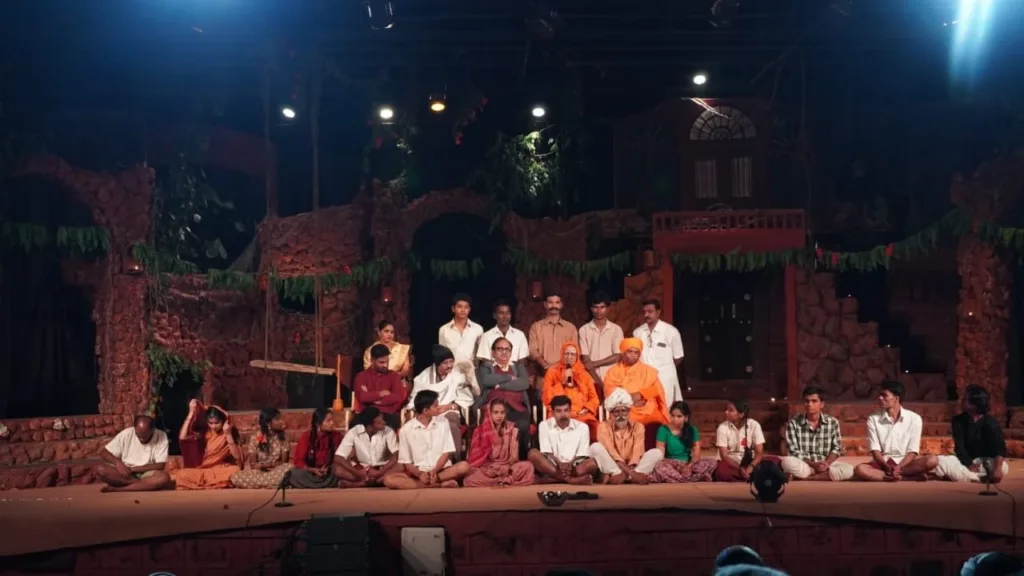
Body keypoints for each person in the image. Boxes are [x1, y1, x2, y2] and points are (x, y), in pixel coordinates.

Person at [384, 390, 472, 489]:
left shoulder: (443, 422)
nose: (439, 407)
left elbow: (446, 452)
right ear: (426, 410)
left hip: (441, 471)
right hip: (419, 473)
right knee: (388, 480)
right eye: (435, 405)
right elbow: (407, 461)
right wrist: (419, 474)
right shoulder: (406, 430)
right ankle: (439, 484)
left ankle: (431, 482)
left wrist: (435, 471)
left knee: (464, 466)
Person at [854, 380, 939, 482]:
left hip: (905, 464)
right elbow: (875, 450)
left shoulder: (914, 418)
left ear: (896, 398)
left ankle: (892, 476)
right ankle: (906, 478)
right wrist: (886, 467)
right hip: (883, 464)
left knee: (932, 460)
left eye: (884, 395)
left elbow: (912, 451)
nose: (880, 398)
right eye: (880, 395)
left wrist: (899, 467)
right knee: (860, 469)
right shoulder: (873, 419)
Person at [408, 344, 476, 455]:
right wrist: (431, 409)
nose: (449, 365)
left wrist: (448, 407)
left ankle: (453, 458)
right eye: (445, 363)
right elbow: (415, 400)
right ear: (437, 364)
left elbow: (465, 399)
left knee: (451, 425)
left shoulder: (457, 377)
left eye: (451, 361)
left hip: (449, 411)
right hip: (429, 412)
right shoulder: (422, 378)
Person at [589, 389, 664, 484]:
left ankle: (623, 476)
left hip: (633, 466)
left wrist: (629, 472)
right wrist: (632, 473)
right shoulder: (603, 427)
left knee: (657, 453)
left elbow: (637, 454)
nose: (620, 415)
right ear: (611, 413)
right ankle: (624, 475)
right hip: (613, 464)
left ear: (629, 411)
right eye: (616, 412)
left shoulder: (638, 427)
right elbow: (611, 453)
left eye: (624, 411)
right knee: (595, 447)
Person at [936, 384, 1008, 483]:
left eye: (965, 400)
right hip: (965, 462)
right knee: (942, 461)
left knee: (1003, 467)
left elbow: (999, 449)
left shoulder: (991, 423)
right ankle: (980, 478)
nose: (962, 402)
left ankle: (969, 477)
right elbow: (959, 447)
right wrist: (969, 464)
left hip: (985, 461)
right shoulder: (958, 421)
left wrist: (997, 469)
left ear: (975, 404)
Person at [780, 386, 854, 482]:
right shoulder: (794, 423)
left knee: (849, 470)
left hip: (826, 464)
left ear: (822, 404)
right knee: (787, 462)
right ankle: (821, 474)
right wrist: (814, 464)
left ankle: (809, 477)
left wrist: (826, 463)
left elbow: (837, 448)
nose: (810, 404)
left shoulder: (832, 422)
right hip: (805, 464)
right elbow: (793, 451)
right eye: (807, 401)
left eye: (814, 401)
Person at [475, 337, 532, 457]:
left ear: (511, 352)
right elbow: (487, 380)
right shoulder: (486, 367)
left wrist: (499, 385)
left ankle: (519, 458)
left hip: (517, 409)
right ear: (493, 352)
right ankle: (496, 457)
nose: (504, 352)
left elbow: (524, 383)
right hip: (494, 411)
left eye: (507, 349)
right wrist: (509, 378)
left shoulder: (518, 367)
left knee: (522, 425)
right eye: (500, 349)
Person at [169, 401, 243, 490]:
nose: (213, 426)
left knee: (235, 470)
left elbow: (237, 456)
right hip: (202, 470)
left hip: (219, 469)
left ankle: (205, 482)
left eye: (217, 423)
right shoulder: (204, 433)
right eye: (210, 423)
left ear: (223, 420)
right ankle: (211, 482)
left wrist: (228, 434)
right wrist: (191, 413)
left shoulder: (229, 431)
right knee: (182, 474)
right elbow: (183, 437)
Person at [464, 398, 536, 487]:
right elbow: (476, 458)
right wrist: (487, 469)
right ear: (489, 413)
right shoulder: (479, 431)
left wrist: (507, 467)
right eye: (496, 412)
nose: (499, 416)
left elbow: (514, 457)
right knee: (471, 476)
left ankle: (500, 480)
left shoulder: (512, 429)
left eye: (502, 412)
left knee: (528, 466)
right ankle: (504, 480)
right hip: (487, 468)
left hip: (507, 468)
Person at [527, 395, 598, 484]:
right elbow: (547, 452)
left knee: (593, 463)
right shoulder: (544, 425)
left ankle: (553, 479)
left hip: (574, 467)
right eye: (559, 411)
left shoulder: (582, 427)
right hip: (552, 465)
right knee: (532, 454)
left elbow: (582, 453)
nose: (563, 414)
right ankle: (570, 479)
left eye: (566, 410)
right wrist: (559, 463)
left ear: (570, 410)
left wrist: (570, 463)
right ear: (553, 412)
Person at [602, 338, 669, 433]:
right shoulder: (612, 372)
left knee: (657, 423)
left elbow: (657, 390)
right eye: (630, 351)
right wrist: (630, 400)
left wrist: (640, 395)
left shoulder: (648, 371)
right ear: (623, 353)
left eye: (636, 352)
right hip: (624, 410)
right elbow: (610, 393)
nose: (633, 355)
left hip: (648, 408)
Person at [95, 415, 170, 493]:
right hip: (125, 473)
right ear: (134, 429)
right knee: (100, 469)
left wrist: (131, 469)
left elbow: (160, 465)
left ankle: (120, 489)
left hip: (146, 473)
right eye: (138, 435)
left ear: (152, 430)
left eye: (144, 437)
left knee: (163, 477)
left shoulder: (161, 436)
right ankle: (142, 484)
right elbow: (103, 452)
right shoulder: (126, 433)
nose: (141, 439)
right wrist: (118, 463)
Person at [542, 341, 600, 438]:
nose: (569, 357)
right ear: (562, 354)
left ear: (577, 357)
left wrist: (586, 409)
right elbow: (546, 396)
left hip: (581, 414)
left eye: (572, 354)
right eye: (567, 353)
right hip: (559, 413)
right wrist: (562, 383)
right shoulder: (552, 372)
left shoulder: (584, 375)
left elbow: (594, 398)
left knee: (596, 428)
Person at [649, 401, 717, 483]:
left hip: (688, 464)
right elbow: (660, 455)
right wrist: (678, 467)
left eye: (679, 416)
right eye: (673, 416)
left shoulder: (692, 430)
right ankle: (694, 478)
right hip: (670, 464)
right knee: (659, 467)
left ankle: (679, 478)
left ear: (686, 417)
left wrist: (688, 466)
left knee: (712, 463)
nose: (675, 419)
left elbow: (697, 454)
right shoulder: (663, 430)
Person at [632, 299, 685, 404]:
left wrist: (665, 369)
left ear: (658, 312)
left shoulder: (671, 331)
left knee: (666, 407)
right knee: (646, 408)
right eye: (644, 312)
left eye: (650, 311)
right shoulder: (637, 332)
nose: (646, 315)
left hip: (665, 379)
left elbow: (678, 356)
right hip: (644, 380)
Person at [714, 399, 778, 482]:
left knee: (773, 461)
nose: (726, 412)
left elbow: (759, 452)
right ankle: (753, 476)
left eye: (730, 410)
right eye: (726, 409)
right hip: (731, 462)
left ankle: (747, 475)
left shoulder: (754, 425)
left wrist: (751, 466)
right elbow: (724, 456)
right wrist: (740, 468)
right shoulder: (722, 427)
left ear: (741, 414)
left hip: (750, 461)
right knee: (721, 471)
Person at [335, 406, 400, 488]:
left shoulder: (388, 431)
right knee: (338, 470)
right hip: (362, 470)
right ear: (369, 427)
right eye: (379, 422)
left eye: (383, 419)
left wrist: (379, 472)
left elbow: (396, 455)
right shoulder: (354, 432)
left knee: (400, 467)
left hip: (383, 469)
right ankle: (374, 482)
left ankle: (359, 484)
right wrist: (358, 473)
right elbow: (338, 457)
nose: (384, 422)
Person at [230, 407, 293, 489]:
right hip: (259, 473)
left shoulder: (283, 437)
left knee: (289, 468)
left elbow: (284, 462)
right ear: (268, 423)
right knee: (235, 477)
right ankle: (272, 483)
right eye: (277, 419)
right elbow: (253, 464)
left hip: (277, 471)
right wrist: (260, 466)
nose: (281, 422)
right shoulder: (255, 437)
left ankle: (264, 484)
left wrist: (268, 465)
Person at [578, 291, 624, 394]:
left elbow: (617, 356)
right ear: (591, 308)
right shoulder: (583, 330)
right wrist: (599, 383)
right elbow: (585, 360)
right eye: (595, 307)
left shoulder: (616, 329)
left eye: (602, 307)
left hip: (613, 379)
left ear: (608, 308)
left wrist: (594, 364)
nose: (599, 311)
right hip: (591, 379)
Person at [354, 343, 408, 429]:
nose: (385, 365)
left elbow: (398, 397)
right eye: (381, 362)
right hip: (366, 415)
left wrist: (374, 400)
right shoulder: (361, 376)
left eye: (387, 362)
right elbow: (362, 397)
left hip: (387, 414)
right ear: (372, 361)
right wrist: (380, 394)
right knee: (355, 425)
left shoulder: (394, 376)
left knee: (391, 423)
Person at [288, 408, 343, 489]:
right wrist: (312, 470)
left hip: (328, 472)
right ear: (318, 424)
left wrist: (328, 467)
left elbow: (340, 457)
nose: (332, 423)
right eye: (328, 420)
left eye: (332, 420)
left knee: (338, 471)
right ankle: (325, 484)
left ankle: (315, 484)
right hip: (310, 471)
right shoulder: (307, 436)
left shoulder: (336, 436)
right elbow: (299, 461)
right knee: (295, 474)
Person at [528, 292, 579, 373]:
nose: (554, 306)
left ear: (561, 305)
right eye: (550, 302)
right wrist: (544, 364)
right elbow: (532, 350)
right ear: (545, 304)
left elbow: (574, 353)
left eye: (557, 302)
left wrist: (553, 367)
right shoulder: (536, 327)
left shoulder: (571, 328)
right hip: (543, 374)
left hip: (565, 374)